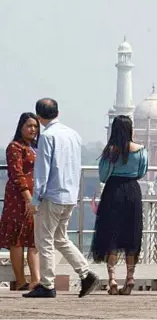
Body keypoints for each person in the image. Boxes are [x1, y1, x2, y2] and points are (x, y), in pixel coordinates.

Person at [24, 98, 99, 298]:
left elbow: (42, 171)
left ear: (39, 117)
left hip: (52, 195)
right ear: (58, 112)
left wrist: (35, 199)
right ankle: (85, 273)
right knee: (60, 238)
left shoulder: (47, 136)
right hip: (70, 194)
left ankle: (47, 284)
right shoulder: (73, 135)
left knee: (44, 241)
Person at [90, 115, 148, 295]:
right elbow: (141, 172)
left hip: (113, 191)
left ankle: (113, 279)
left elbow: (103, 175)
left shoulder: (111, 151)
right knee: (132, 234)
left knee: (111, 235)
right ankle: (130, 277)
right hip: (132, 191)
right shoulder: (141, 151)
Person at [0, 113, 41, 291]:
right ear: (21, 128)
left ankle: (36, 279)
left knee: (33, 238)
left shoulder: (36, 147)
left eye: (35, 126)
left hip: (36, 197)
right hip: (19, 198)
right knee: (17, 238)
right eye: (29, 126)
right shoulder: (15, 147)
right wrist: (27, 198)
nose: (33, 130)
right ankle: (21, 280)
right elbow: (16, 174)